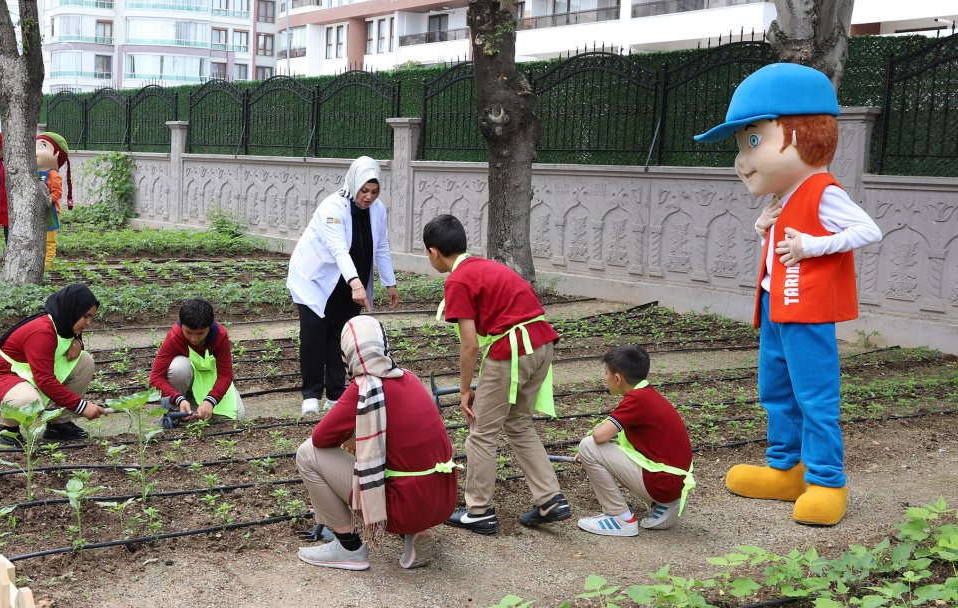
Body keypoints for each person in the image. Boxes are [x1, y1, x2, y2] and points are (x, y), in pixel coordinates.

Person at [694, 63, 882, 526]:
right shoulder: (782, 198)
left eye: (753, 141)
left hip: (808, 313)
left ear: (803, 134)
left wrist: (810, 246)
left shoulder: (822, 191)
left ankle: (826, 480)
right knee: (776, 391)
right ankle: (786, 469)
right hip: (776, 309)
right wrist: (766, 230)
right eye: (741, 146)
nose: (742, 160)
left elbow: (868, 230)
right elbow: (781, 252)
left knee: (815, 398)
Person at [422, 214, 571, 535]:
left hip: (512, 349)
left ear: (434, 252)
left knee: (481, 431)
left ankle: (479, 511)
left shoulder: (458, 280)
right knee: (517, 423)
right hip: (543, 342)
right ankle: (550, 498)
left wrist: (464, 390)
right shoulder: (487, 266)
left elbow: (470, 345)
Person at [295, 315, 456, 571]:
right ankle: (414, 532)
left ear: (347, 353)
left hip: (401, 506)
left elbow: (321, 439)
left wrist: (351, 439)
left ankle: (348, 547)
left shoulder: (364, 389)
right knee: (402, 458)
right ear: (384, 345)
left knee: (306, 453)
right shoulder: (410, 379)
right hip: (442, 499)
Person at [286, 156, 399, 416]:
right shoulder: (333, 207)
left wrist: (389, 282)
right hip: (314, 279)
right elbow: (338, 249)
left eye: (374, 191)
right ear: (354, 184)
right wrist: (357, 284)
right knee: (314, 333)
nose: (369, 197)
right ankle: (311, 394)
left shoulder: (378, 209)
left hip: (347, 283)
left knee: (341, 335)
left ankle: (335, 394)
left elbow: (381, 245)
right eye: (364, 190)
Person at [575, 345, 694, 537]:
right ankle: (664, 504)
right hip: (673, 480)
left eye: (605, 373)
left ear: (617, 378)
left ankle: (619, 517)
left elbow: (599, 436)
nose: (604, 378)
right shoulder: (648, 394)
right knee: (590, 448)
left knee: (587, 445)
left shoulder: (636, 400)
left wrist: (588, 454)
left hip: (663, 482)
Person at [0, 284, 111, 445]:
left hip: (26, 375)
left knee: (85, 361)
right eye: (85, 316)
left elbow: (68, 341)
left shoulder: (62, 323)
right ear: (72, 310)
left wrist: (78, 342)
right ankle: (6, 424)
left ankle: (59, 424)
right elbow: (45, 380)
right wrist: (82, 406)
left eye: (91, 317)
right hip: (1, 378)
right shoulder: (42, 331)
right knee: (28, 400)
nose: (89, 322)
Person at [149, 298, 245, 422]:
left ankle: (193, 408)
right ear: (181, 325)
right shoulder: (174, 337)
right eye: (188, 332)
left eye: (200, 333)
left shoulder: (219, 336)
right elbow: (155, 377)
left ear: (209, 327)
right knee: (179, 367)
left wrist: (211, 400)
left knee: (239, 417)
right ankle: (175, 409)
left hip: (211, 383)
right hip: (185, 386)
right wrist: (178, 399)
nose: (194, 339)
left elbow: (225, 376)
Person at [35, 132, 73, 266]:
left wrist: (49, 199)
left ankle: (49, 264)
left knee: (49, 239)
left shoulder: (53, 174)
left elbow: (57, 192)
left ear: (57, 154)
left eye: (43, 146)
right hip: (37, 209)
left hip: (50, 211)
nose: (36, 151)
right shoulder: (35, 173)